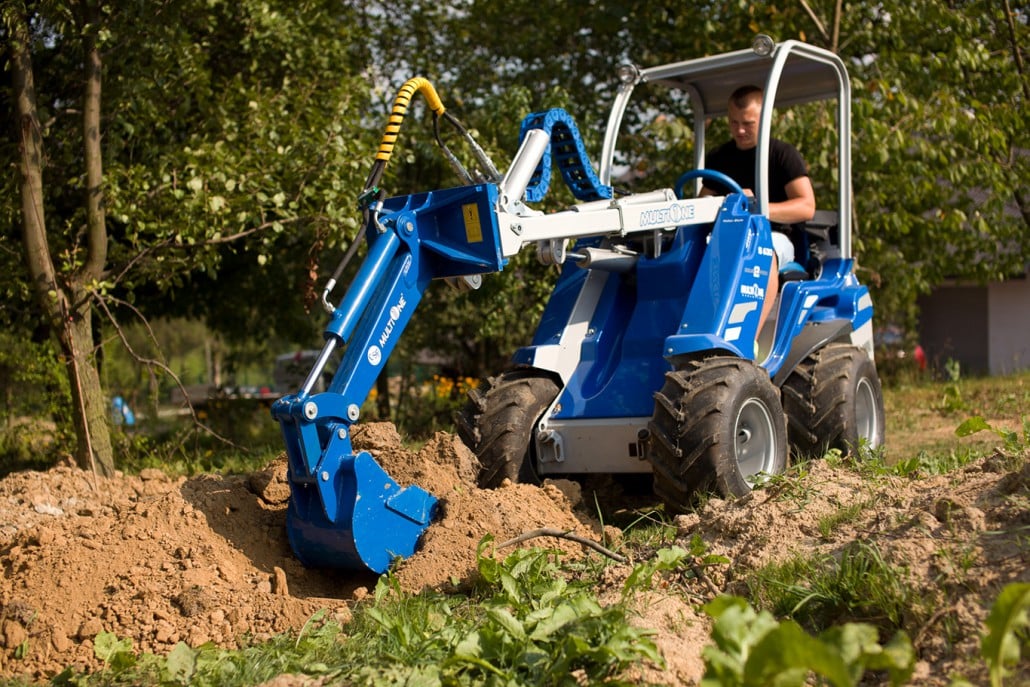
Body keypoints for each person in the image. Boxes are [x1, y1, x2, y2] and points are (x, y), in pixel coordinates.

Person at [699, 85, 816, 343]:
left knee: (762, 252)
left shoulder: (782, 155)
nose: (740, 130)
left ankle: (747, 340)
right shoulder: (720, 158)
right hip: (728, 237)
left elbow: (806, 206)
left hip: (775, 237)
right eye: (733, 122)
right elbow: (703, 202)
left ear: (765, 120)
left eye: (748, 124)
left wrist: (757, 208)